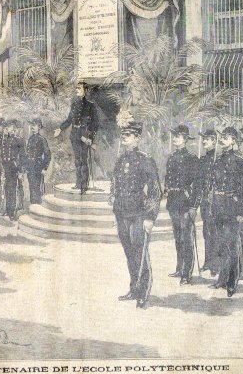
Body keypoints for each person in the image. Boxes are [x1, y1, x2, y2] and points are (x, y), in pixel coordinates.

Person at [109, 123, 162, 309]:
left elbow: (155, 191)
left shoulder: (145, 160)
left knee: (140, 251)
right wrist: (113, 196)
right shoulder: (120, 159)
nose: (125, 137)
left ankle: (143, 292)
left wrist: (150, 217)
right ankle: (133, 287)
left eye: (129, 135)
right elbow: (115, 182)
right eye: (123, 134)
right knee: (128, 252)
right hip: (121, 211)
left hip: (139, 212)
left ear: (137, 138)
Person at [209, 126, 243, 297]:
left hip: (232, 207)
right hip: (218, 206)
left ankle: (232, 281)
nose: (222, 139)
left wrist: (241, 211)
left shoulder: (241, 162)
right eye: (222, 136)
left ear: (233, 140)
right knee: (220, 244)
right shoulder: (217, 161)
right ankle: (222, 278)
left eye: (226, 137)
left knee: (232, 245)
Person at [164, 125, 199, 285]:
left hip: (185, 201)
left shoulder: (191, 158)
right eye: (174, 136)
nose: (175, 139)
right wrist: (166, 190)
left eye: (178, 136)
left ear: (185, 139)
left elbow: (197, 184)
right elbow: (168, 178)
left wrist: (193, 205)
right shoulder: (171, 157)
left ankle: (186, 273)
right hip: (173, 200)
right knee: (178, 237)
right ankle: (179, 268)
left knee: (186, 238)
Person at [54, 81, 99, 194]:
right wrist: (60, 128)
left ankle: (84, 184)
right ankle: (79, 183)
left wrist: (91, 138)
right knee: (77, 161)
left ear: (85, 90)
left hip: (84, 135)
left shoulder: (90, 105)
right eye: (76, 88)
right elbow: (69, 119)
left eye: (79, 88)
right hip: (74, 135)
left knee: (84, 160)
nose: (77, 90)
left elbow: (95, 123)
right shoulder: (74, 104)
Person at [196, 129, 219, 275]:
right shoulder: (203, 160)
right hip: (205, 201)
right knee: (206, 231)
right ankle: (208, 262)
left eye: (208, 139)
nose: (204, 141)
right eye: (204, 138)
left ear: (215, 141)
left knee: (215, 232)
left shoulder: (219, 158)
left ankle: (216, 265)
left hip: (216, 201)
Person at [1, 119, 24, 220]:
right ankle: (7, 209)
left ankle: (12, 211)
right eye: (8, 127)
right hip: (5, 166)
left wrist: (21, 171)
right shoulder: (4, 139)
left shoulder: (18, 140)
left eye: (10, 127)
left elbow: (22, 156)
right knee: (6, 188)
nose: (9, 128)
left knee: (12, 189)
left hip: (14, 167)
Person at [24, 117, 51, 205]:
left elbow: (47, 155)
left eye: (35, 125)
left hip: (38, 166)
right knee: (31, 187)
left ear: (39, 127)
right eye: (32, 125)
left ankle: (37, 207)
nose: (33, 127)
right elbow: (27, 154)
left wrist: (44, 168)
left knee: (37, 188)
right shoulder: (31, 138)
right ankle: (33, 207)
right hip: (30, 166)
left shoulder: (42, 139)